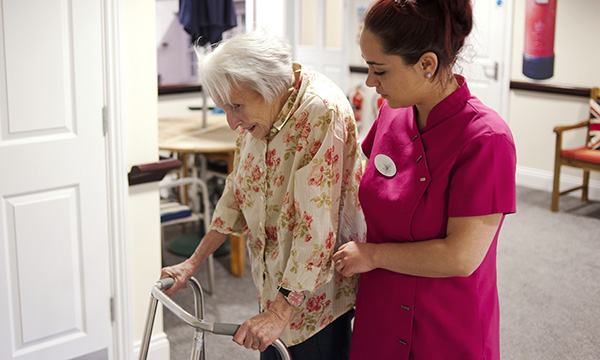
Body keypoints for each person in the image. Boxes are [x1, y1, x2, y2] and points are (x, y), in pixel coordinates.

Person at [160, 30, 366, 360]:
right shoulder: (258, 116)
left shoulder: (321, 112)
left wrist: (279, 312)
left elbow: (315, 225)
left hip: (316, 298)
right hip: (273, 287)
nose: (231, 122)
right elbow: (237, 191)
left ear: (270, 87)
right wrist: (191, 264)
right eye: (224, 108)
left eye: (236, 107)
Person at [332, 1, 517, 359]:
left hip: (445, 326)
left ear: (427, 65)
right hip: (380, 312)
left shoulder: (487, 139)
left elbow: (460, 256)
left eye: (379, 70)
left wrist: (372, 255)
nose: (370, 82)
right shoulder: (391, 115)